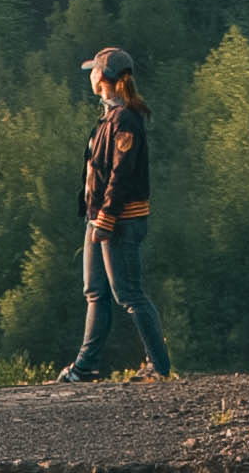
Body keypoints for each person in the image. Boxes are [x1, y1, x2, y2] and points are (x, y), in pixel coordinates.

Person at [54, 46, 174, 383]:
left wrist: (106, 218)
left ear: (103, 77)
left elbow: (120, 175)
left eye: (94, 70)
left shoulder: (125, 120)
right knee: (96, 292)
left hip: (119, 221)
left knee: (130, 294)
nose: (90, 76)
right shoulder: (111, 118)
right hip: (100, 218)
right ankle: (85, 366)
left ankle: (159, 366)